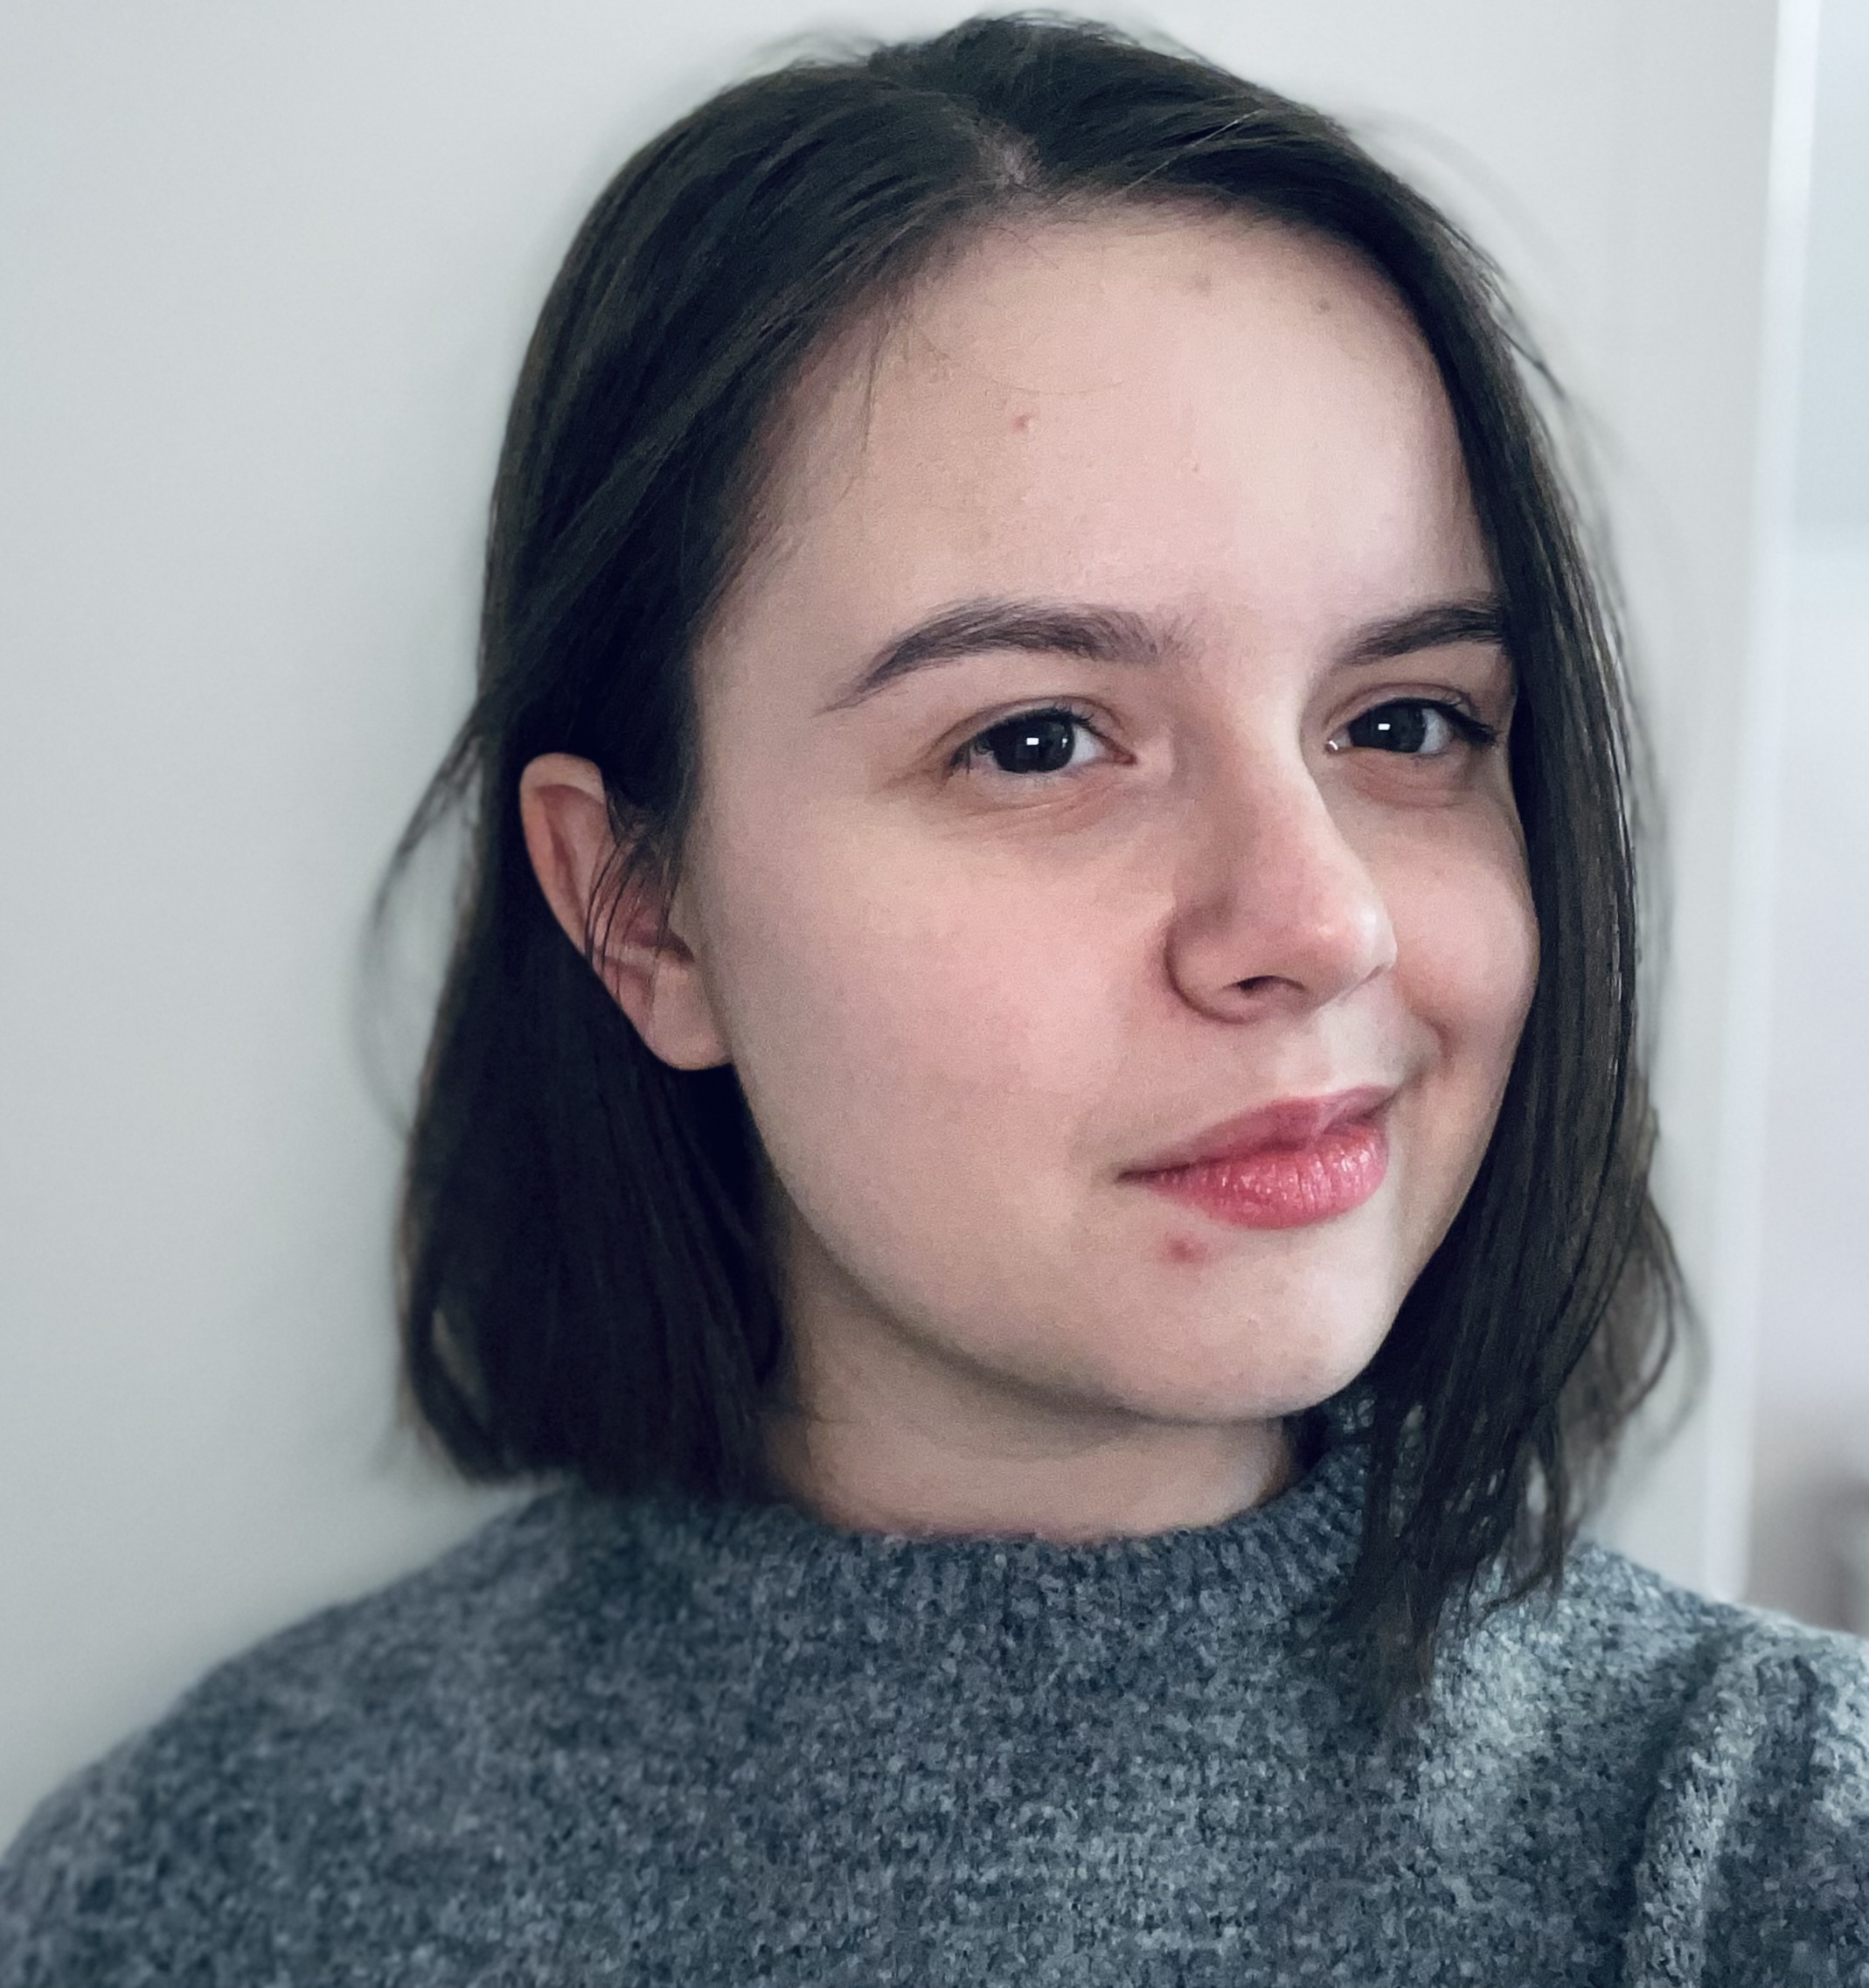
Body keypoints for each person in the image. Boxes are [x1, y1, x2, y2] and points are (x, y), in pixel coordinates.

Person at [3, 13, 1865, 1984]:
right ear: (643, 911)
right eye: (1037, 741)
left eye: (1404, 721)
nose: (1321, 922)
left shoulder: (1773, 1862)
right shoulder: (198, 1900)